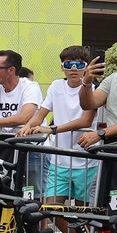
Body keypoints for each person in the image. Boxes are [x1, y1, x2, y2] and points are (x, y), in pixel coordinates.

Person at [20, 46, 102, 208]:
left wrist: (52, 129)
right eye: (68, 64)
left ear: (87, 67)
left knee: (83, 213)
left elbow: (86, 121)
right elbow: (40, 114)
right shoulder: (56, 86)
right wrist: (27, 126)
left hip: (86, 159)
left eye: (79, 65)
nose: (73, 69)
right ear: (62, 67)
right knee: (50, 208)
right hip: (59, 160)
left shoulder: (92, 89)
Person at [0, 50, 40, 135]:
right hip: (6, 142)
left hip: (30, 142)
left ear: (11, 70)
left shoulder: (30, 87)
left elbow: (24, 118)